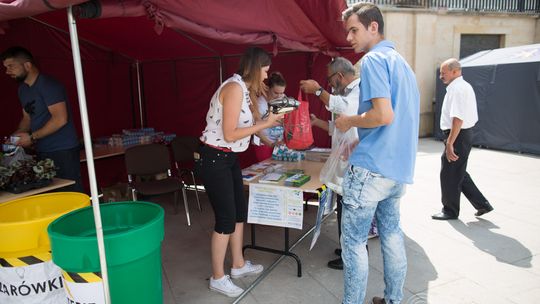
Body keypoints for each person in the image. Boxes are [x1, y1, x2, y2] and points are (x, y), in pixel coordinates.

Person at [336, 3, 420, 304]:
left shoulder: (373, 60)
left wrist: (349, 121)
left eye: (354, 30)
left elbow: (383, 115)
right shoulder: (402, 63)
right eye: (348, 31)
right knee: (392, 235)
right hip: (396, 170)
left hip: (372, 169)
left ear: (374, 27)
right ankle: (394, 299)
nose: (349, 38)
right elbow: (397, 121)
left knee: (354, 242)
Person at [194, 47, 284, 298]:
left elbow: (253, 124)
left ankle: (238, 265)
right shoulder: (233, 89)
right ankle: (217, 277)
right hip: (214, 158)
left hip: (228, 157)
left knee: (238, 215)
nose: (267, 76)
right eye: (265, 70)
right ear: (256, 68)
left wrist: (269, 129)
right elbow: (230, 133)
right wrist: (265, 123)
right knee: (225, 219)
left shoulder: (246, 91)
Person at [300, 57, 363, 271]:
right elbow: (339, 126)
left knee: (349, 211)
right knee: (344, 209)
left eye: (329, 81)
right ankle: (348, 248)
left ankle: (351, 256)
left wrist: (318, 91)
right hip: (344, 158)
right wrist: (317, 122)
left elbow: (344, 108)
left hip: (353, 159)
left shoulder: (357, 91)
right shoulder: (344, 92)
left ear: (339, 76)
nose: (329, 85)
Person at [1, 46, 83, 193]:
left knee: (70, 193)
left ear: (27, 65)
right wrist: (16, 136)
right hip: (42, 150)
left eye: (11, 66)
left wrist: (31, 137)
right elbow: (27, 118)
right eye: (6, 67)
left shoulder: (48, 85)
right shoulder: (23, 89)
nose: (7, 71)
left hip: (62, 150)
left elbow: (60, 119)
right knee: (51, 195)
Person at [431, 58, 493, 220]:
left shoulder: (458, 89)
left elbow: (457, 118)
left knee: (449, 174)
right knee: (458, 172)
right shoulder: (461, 86)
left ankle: (449, 211)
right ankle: (482, 204)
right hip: (461, 135)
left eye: (443, 73)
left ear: (455, 71)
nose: (441, 76)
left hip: (457, 135)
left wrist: (450, 142)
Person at [252, 71, 286, 161]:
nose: (279, 96)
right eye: (276, 93)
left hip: (280, 143)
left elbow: (286, 121)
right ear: (268, 89)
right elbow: (256, 130)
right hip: (264, 144)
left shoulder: (283, 99)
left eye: (281, 93)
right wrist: (271, 144)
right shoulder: (259, 104)